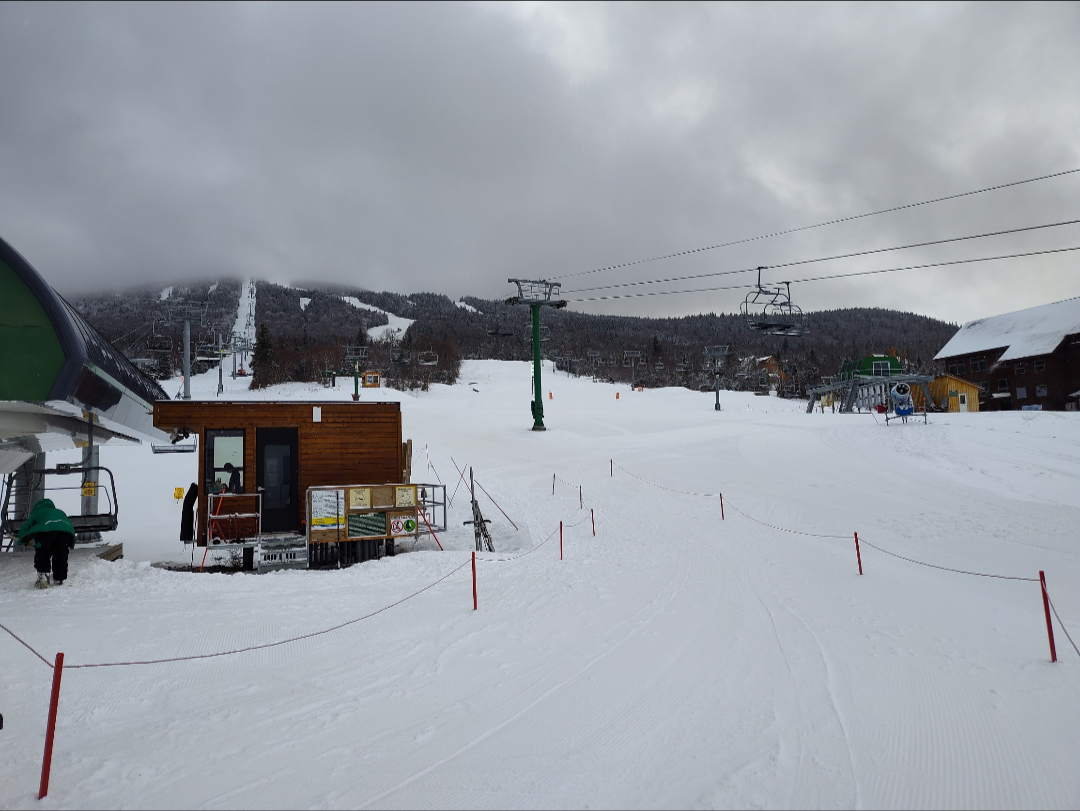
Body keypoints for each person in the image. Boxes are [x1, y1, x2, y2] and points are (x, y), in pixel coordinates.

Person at [18, 498, 76, 589]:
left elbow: (24, 528)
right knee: (61, 554)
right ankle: (59, 578)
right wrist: (71, 543)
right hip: (64, 533)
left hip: (46, 532)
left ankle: (44, 578)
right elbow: (69, 526)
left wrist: (24, 541)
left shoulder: (38, 513)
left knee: (43, 554)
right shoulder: (60, 512)